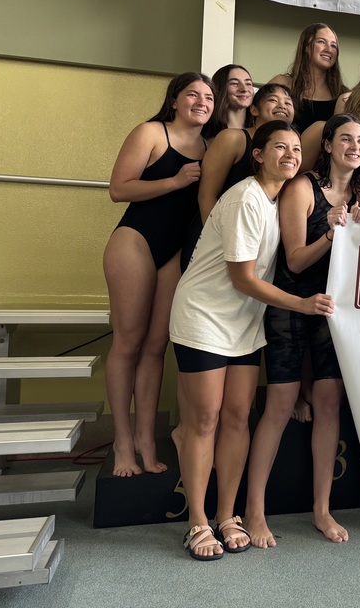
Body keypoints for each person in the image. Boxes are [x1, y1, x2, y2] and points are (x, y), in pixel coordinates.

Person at [169, 120, 334, 561]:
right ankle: (198, 523)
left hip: (244, 323)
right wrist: (300, 305)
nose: (291, 154)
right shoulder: (244, 196)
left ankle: (228, 515)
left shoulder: (276, 201)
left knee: (239, 417)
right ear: (258, 154)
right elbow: (241, 277)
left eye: (297, 149)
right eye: (279, 147)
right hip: (204, 317)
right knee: (205, 420)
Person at [249, 115, 360, 546]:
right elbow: (296, 260)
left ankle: (322, 510)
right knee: (280, 404)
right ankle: (254, 512)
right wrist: (334, 231)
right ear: (329, 145)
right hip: (289, 305)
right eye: (346, 139)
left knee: (328, 402)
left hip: (329, 310)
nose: (354, 146)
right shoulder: (302, 187)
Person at [103, 72, 213, 478]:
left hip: (175, 251)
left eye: (208, 97)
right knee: (128, 343)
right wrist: (174, 180)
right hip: (136, 240)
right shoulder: (152, 132)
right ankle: (121, 442)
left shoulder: (211, 145)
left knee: (155, 345)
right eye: (192, 95)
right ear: (174, 100)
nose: (201, 102)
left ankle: (146, 440)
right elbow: (118, 188)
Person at [181, 82, 297, 271]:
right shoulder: (233, 138)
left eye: (288, 102)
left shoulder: (290, 155)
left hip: (252, 245)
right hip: (215, 240)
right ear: (254, 109)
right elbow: (206, 195)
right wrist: (217, 241)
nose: (282, 105)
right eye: (273, 100)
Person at [276, 23, 347, 133]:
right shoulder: (281, 84)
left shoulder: (343, 95)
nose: (329, 49)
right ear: (306, 47)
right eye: (321, 42)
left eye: (333, 46)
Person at [206, 64, 255, 137]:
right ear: (220, 88)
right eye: (234, 83)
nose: (244, 89)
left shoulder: (260, 131)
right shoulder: (206, 133)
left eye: (248, 84)